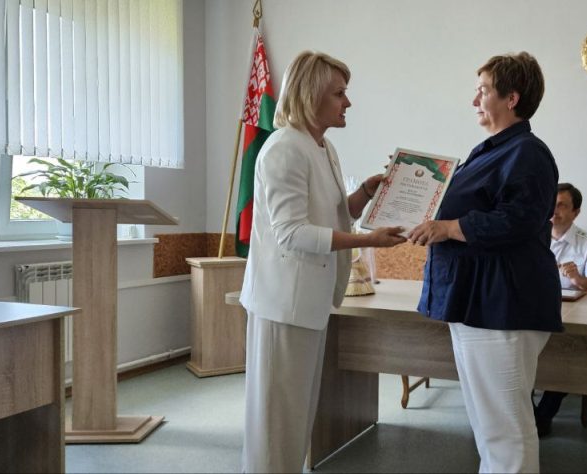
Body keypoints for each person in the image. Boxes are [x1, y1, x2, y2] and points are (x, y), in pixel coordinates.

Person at [238, 51, 405, 473]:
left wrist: (364, 194)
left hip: (308, 303)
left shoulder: (322, 147)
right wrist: (368, 240)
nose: (347, 102)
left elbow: (331, 213)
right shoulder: (284, 149)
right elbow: (292, 233)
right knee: (276, 421)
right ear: (311, 94)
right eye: (339, 93)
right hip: (283, 304)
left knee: (296, 416)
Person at [408, 52, 560, 473]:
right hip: (476, 303)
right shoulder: (491, 151)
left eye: (483, 91)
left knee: (505, 430)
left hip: (502, 305)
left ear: (512, 98)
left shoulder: (528, 152)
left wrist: (449, 227)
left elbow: (519, 219)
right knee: (488, 427)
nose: (474, 100)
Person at [533, 182, 587, 437]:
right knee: (520, 359)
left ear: (576, 212)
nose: (554, 211)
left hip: (573, 317)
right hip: (534, 312)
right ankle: (528, 415)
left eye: (561, 206)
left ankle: (543, 417)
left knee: (565, 363)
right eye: (550, 205)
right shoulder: (531, 238)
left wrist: (579, 279)